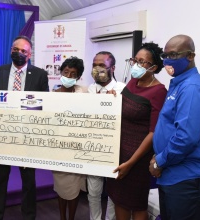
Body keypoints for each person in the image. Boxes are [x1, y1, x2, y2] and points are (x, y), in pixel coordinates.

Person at [149, 34, 200, 220]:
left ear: (190, 56)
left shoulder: (192, 87)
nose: (167, 60)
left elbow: (185, 137)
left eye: (173, 55)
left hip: (190, 175)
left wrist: (160, 160)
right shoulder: (179, 84)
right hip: (174, 172)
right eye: (165, 55)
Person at [0, 35, 49, 220]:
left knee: (28, 181)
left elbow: (44, 105)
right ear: (11, 51)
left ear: (30, 54)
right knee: (0, 179)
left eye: (23, 51)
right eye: (15, 49)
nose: (18, 53)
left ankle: (28, 215)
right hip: (3, 136)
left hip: (28, 136)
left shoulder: (40, 74)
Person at [106, 43, 167, 220]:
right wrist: (113, 98)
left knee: (137, 203)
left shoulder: (159, 91)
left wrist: (131, 162)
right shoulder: (133, 82)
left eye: (142, 62)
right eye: (135, 60)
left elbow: (154, 132)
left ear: (153, 67)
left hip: (137, 159)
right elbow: (124, 107)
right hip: (119, 152)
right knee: (119, 199)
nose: (135, 65)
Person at [87, 51, 125, 220]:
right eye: (95, 65)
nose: (97, 69)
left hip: (114, 150)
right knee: (93, 192)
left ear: (113, 68)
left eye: (102, 65)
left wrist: (116, 103)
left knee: (113, 193)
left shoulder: (123, 90)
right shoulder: (90, 89)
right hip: (93, 149)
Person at [51, 56, 86, 220]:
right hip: (58, 149)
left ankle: (70, 218)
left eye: (74, 74)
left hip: (77, 149)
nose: (69, 76)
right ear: (61, 72)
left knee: (74, 188)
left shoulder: (83, 94)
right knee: (60, 187)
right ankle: (62, 217)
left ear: (78, 77)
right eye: (66, 72)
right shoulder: (51, 96)